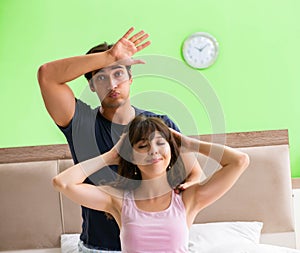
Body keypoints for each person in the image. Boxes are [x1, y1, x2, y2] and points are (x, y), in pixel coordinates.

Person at [37, 27, 202, 252]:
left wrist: (179, 201)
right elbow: (47, 76)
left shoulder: (160, 125)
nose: (112, 85)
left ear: (130, 78)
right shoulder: (82, 123)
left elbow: (195, 174)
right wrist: (109, 56)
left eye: (118, 73)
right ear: (92, 85)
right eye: (101, 77)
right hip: (100, 247)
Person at [53, 115, 250, 253]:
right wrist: (111, 156)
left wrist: (189, 144)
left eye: (160, 143)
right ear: (131, 156)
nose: (153, 151)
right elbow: (62, 183)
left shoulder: (188, 198)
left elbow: (240, 161)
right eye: (142, 146)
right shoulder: (119, 200)